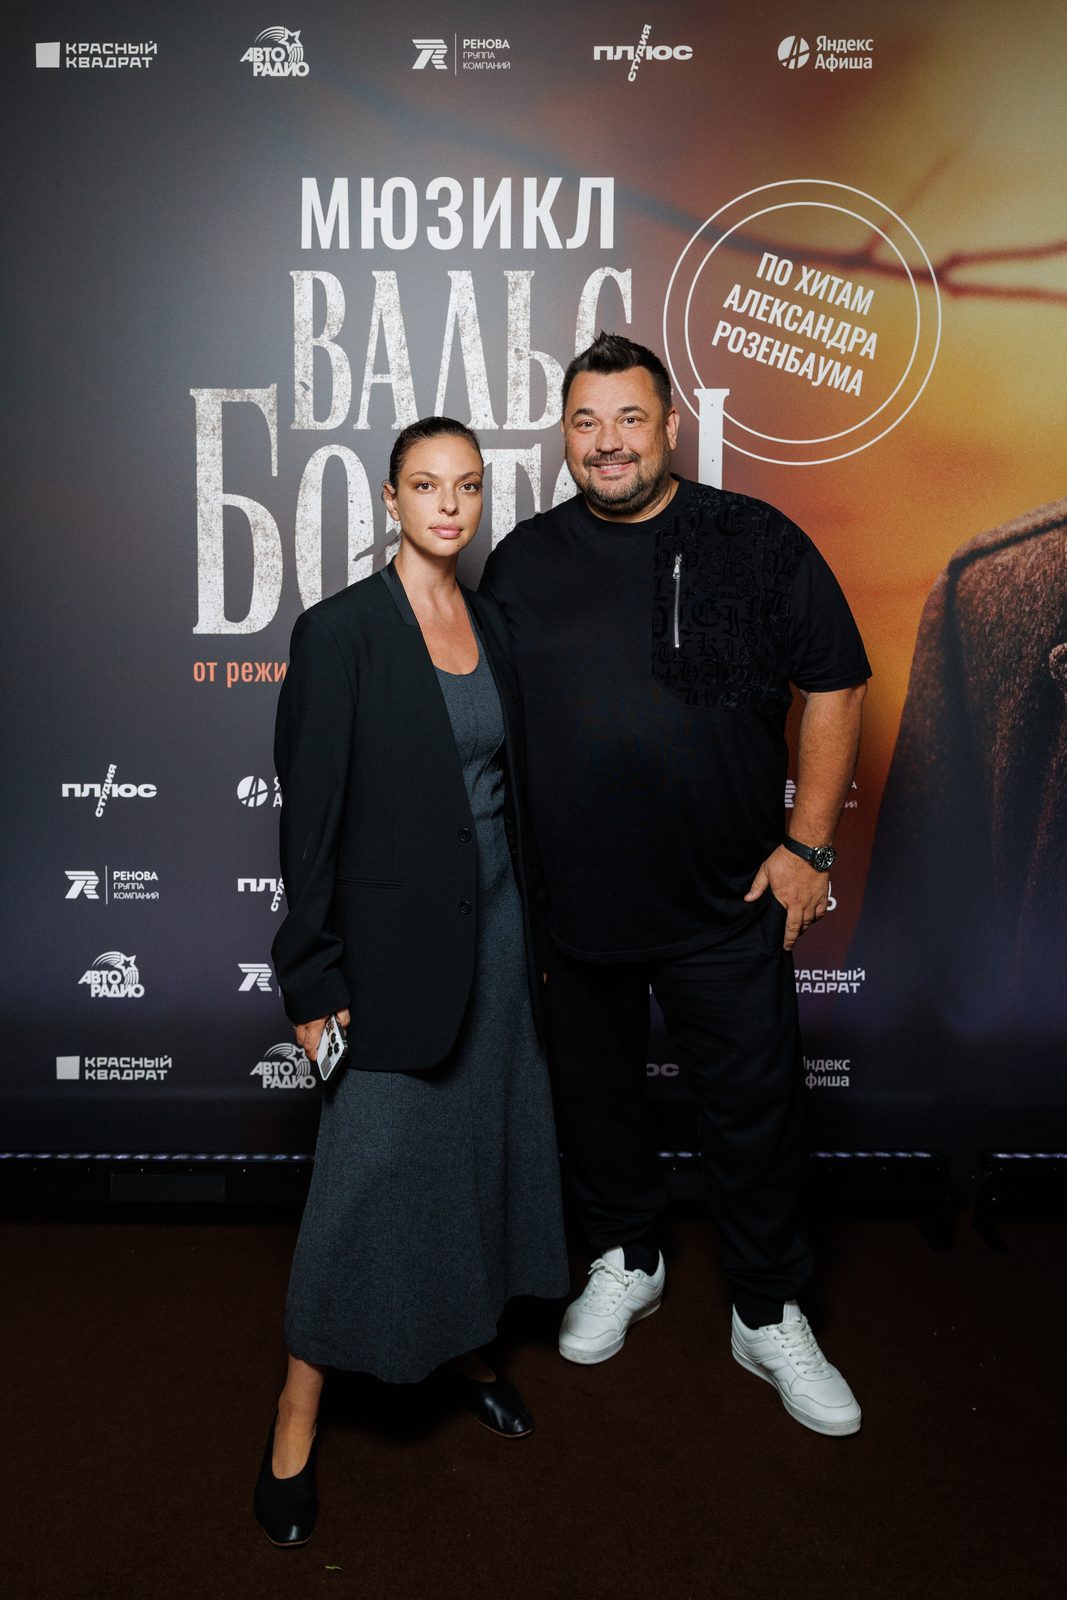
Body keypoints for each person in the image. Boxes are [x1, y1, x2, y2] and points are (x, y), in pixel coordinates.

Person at [480, 332, 870, 1437]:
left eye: (629, 419)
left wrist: (807, 848)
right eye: (585, 422)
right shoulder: (522, 562)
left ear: (669, 425)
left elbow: (837, 681)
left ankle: (767, 1310)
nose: (607, 443)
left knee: (755, 1117)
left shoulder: (753, 539)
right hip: (575, 902)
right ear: (565, 436)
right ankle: (627, 1255)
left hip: (726, 902)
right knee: (596, 1104)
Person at [256, 417, 569, 1547]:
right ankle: (297, 1412)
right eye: (427, 486)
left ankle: (465, 1345)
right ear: (390, 499)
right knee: (368, 1173)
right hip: (387, 954)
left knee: (477, 1153)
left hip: (498, 934)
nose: (449, 505)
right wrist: (311, 980)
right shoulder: (340, 632)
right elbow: (310, 822)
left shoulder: (491, 623)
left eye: (467, 487)